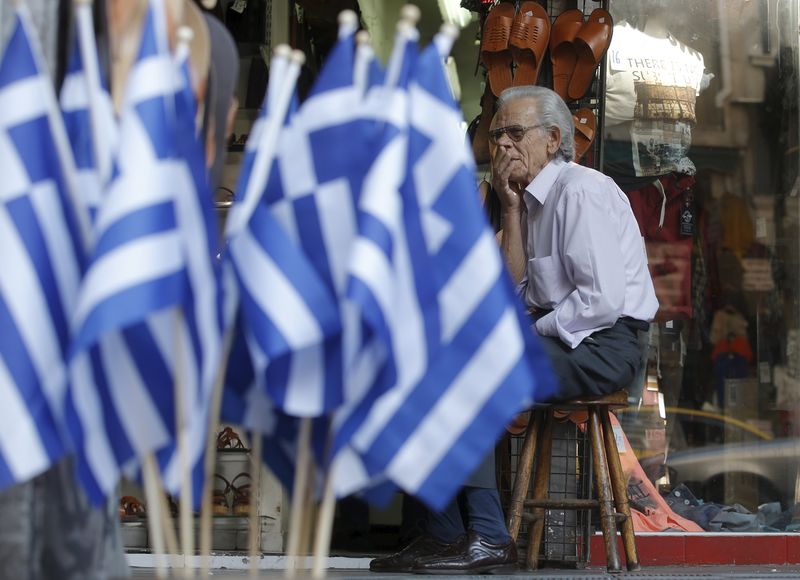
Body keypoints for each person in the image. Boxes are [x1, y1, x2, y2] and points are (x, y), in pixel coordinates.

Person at [492, 85, 658, 402]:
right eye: (496, 135)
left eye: (514, 132)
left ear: (553, 140)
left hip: (604, 344)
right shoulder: (530, 204)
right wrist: (511, 209)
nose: (502, 144)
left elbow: (600, 302)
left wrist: (536, 329)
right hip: (567, 338)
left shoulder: (580, 191)